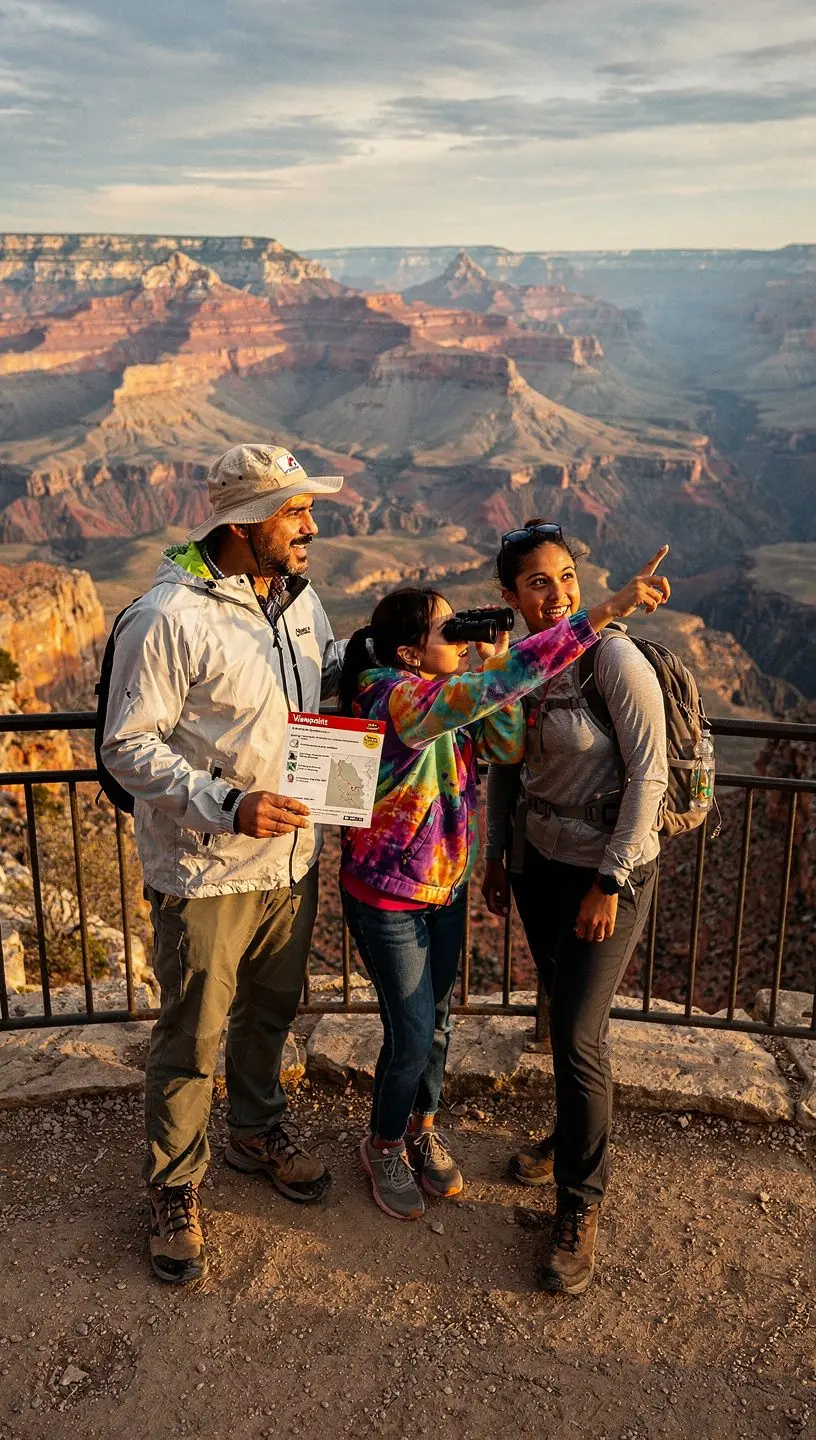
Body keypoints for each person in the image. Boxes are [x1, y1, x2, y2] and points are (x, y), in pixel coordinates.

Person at [337, 551, 668, 1222]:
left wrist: (487, 667)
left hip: (443, 889)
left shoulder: (447, 692)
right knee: (411, 1031)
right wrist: (598, 613)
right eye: (445, 631)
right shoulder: (395, 694)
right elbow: (493, 693)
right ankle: (384, 1144)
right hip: (389, 896)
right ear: (408, 651)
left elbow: (509, 743)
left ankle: (423, 1131)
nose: (458, 637)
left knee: (438, 1027)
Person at [101, 442, 346, 1285]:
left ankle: (254, 1128)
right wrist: (228, 802)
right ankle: (174, 1186)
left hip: (290, 860)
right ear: (244, 526)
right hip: (206, 871)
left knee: (271, 1011)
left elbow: (319, 685)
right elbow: (126, 746)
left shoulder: (299, 603)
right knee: (192, 1034)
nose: (312, 525)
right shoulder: (168, 617)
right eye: (296, 512)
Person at [482, 521, 671, 1296]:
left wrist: (612, 882)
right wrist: (498, 855)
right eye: (537, 583)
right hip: (539, 866)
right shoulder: (521, 667)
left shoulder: (613, 659)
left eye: (565, 577)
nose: (557, 593)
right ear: (509, 597)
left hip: (604, 873)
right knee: (560, 1008)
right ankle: (566, 1139)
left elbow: (649, 779)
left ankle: (578, 1205)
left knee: (579, 1033)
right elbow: (505, 767)